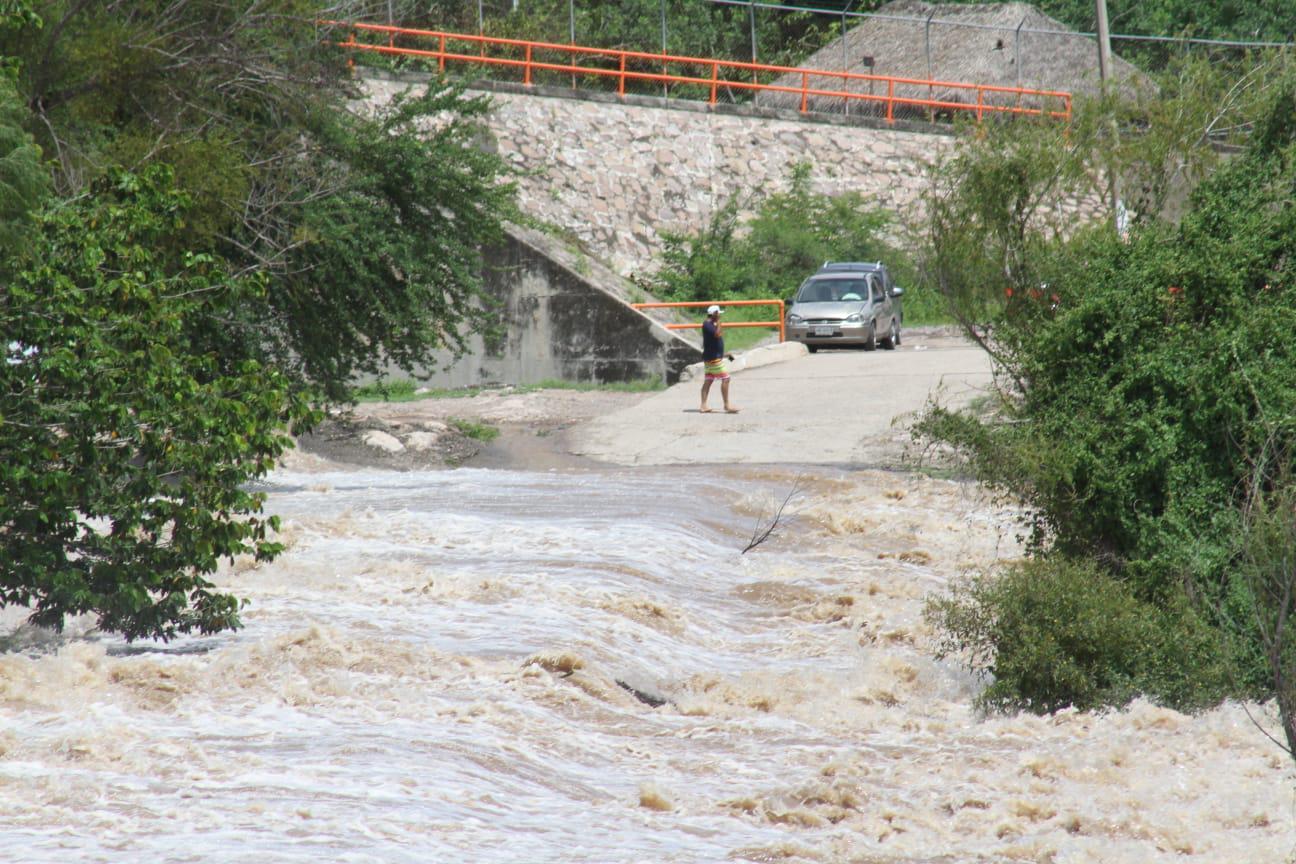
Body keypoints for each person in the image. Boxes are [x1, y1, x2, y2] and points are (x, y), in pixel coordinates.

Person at [700, 304, 739, 413]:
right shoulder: (708, 324)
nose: (719, 316)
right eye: (718, 314)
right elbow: (717, 335)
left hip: (712, 357)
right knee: (726, 379)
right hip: (714, 359)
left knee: (708, 380)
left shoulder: (710, 324)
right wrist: (719, 323)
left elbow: (713, 342)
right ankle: (727, 405)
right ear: (714, 314)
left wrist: (725, 355)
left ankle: (703, 405)